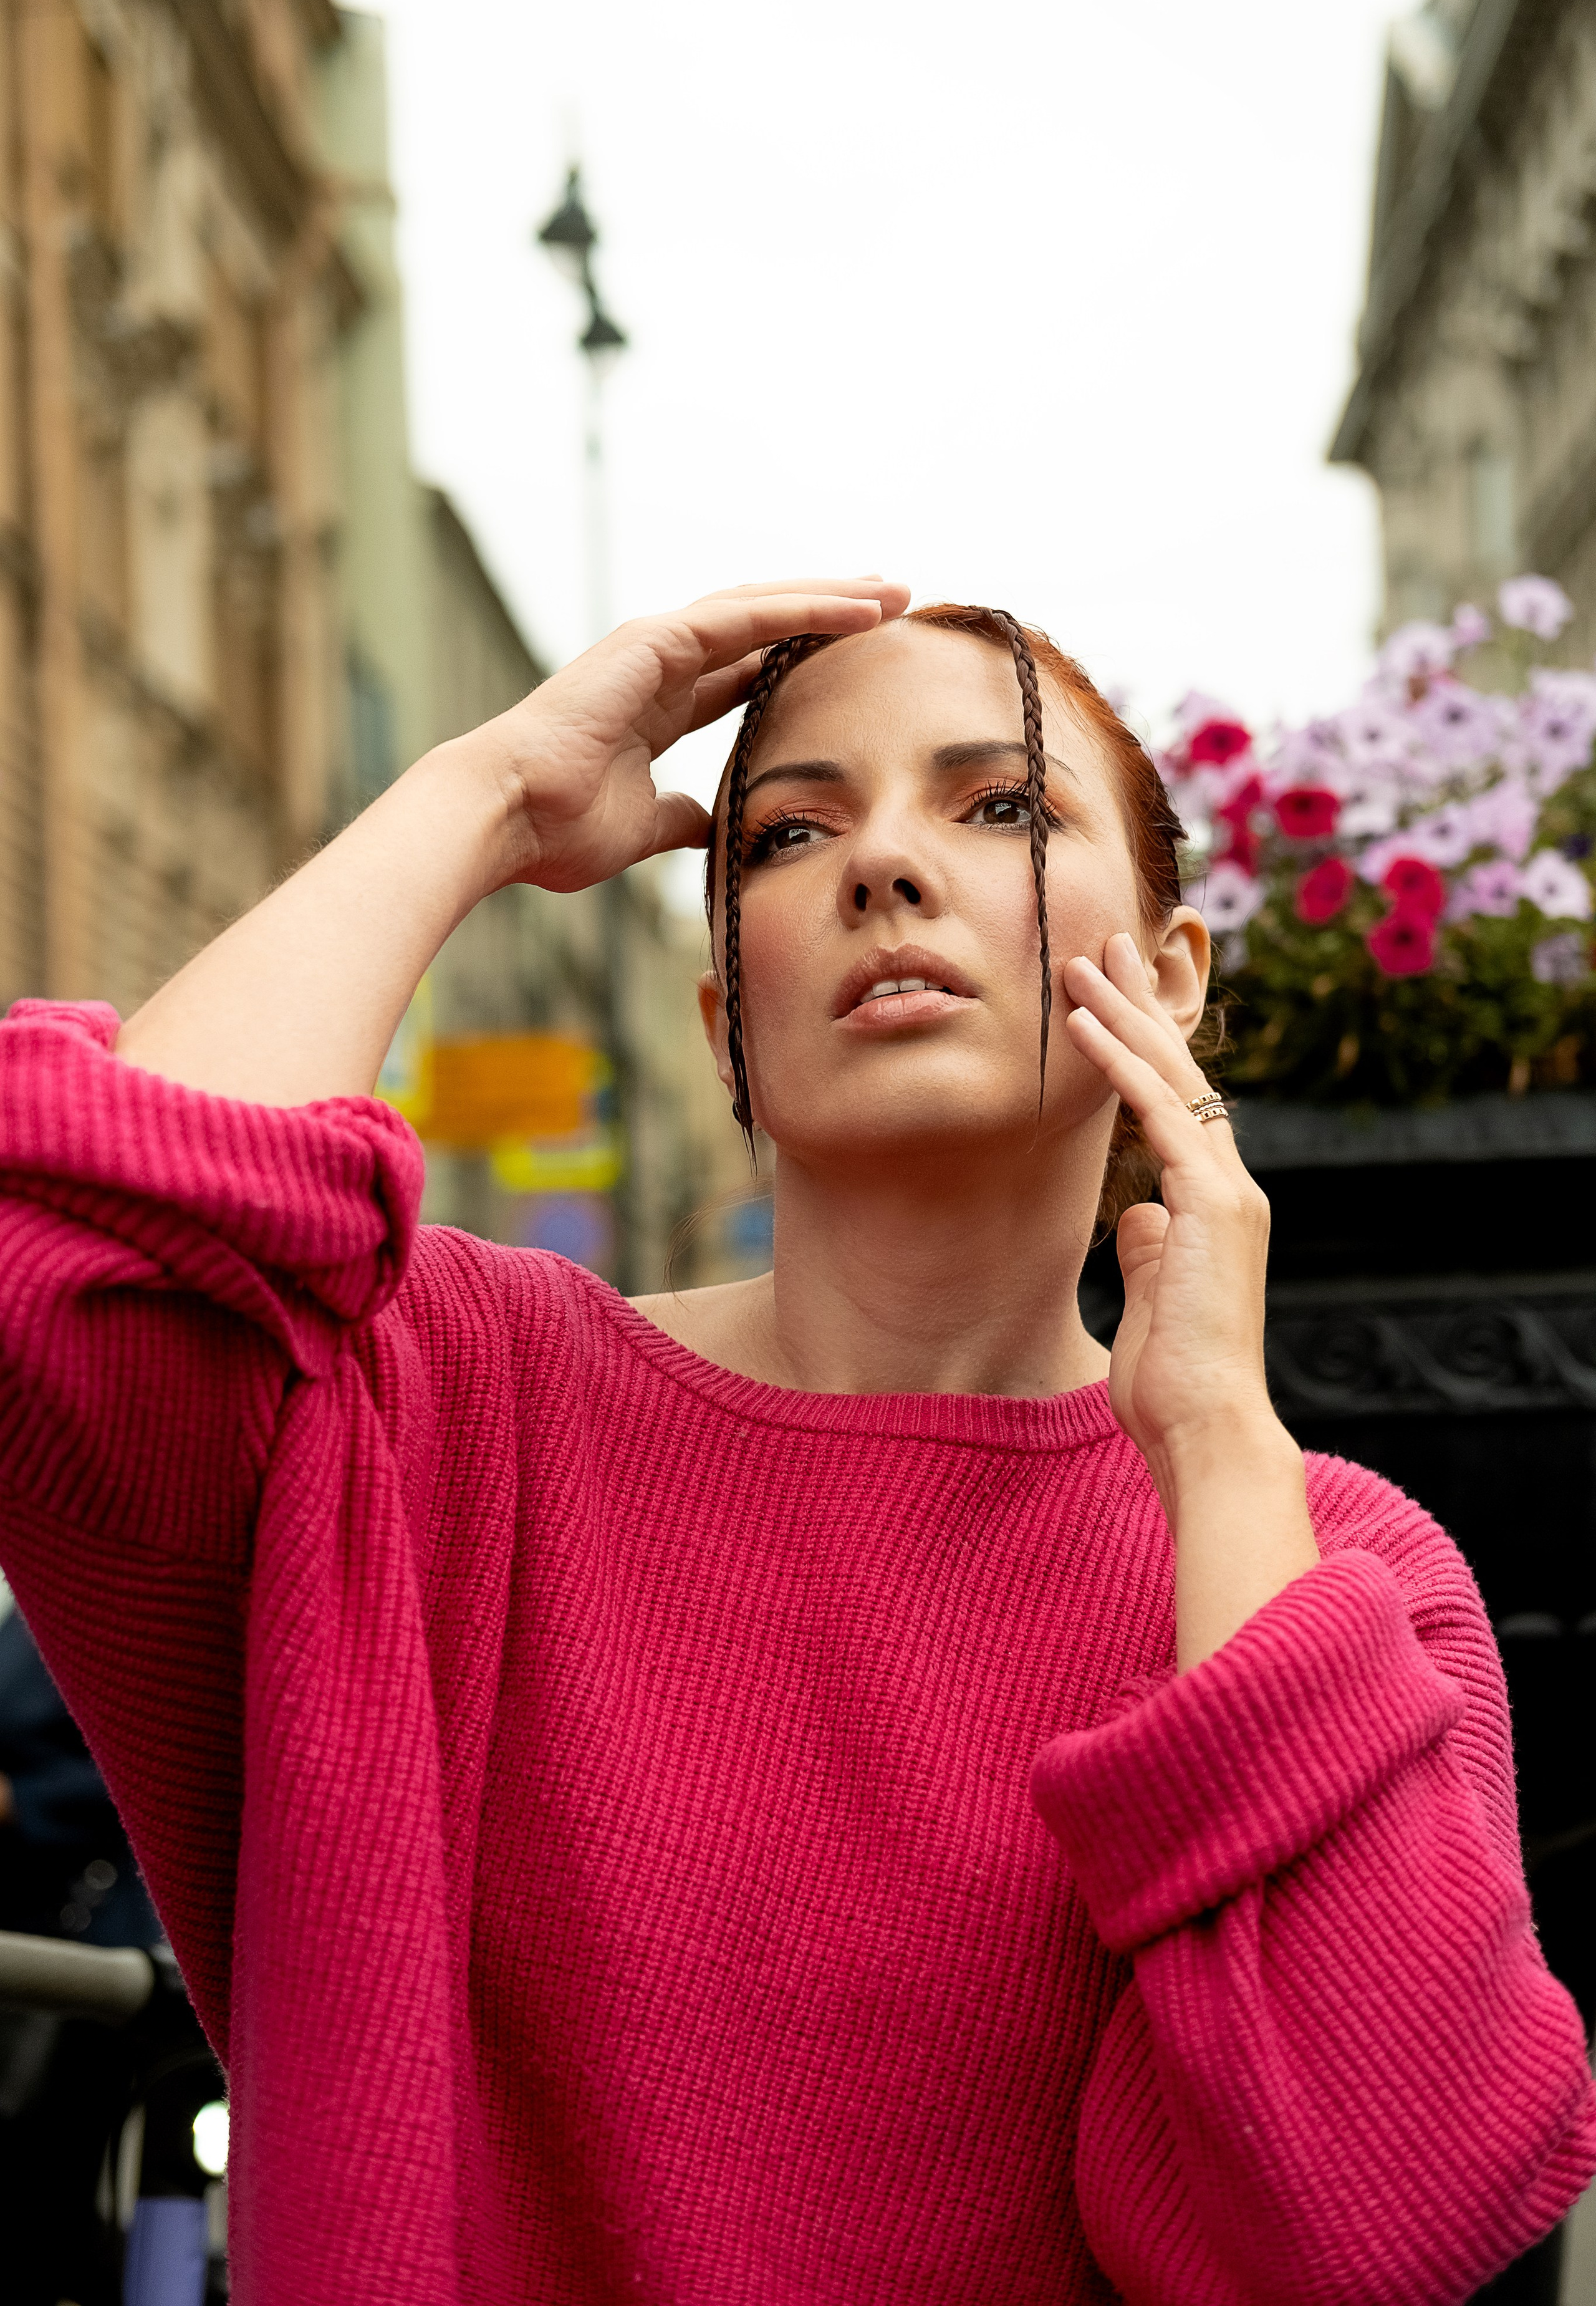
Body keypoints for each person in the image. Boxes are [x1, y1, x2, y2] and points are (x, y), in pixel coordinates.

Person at [0, 577, 1590, 2306]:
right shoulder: (455, 1405)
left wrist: (1215, 1435)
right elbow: (56, 1267)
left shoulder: (1336, 1570)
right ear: (725, 1025)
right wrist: (486, 797)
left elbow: (1349, 2226)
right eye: (785, 832)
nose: (882, 867)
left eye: (1000, 805)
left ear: (1175, 976)